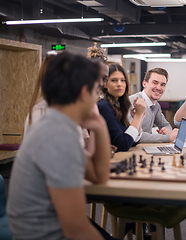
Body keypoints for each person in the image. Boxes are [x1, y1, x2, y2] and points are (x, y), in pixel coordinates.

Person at [7, 52, 114, 240]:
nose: (97, 97)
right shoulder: (57, 135)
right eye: (95, 91)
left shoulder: (61, 125)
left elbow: (99, 175)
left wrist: (100, 126)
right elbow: (76, 229)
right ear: (83, 92)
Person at [97, 64, 146, 152]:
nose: (119, 84)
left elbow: (133, 141)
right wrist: (138, 116)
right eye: (114, 80)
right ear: (105, 84)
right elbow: (123, 144)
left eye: (122, 80)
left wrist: (138, 119)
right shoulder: (104, 106)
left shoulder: (117, 105)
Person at [129, 68, 179, 143]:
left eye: (162, 85)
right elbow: (134, 135)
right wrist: (167, 137)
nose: (159, 88)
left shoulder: (155, 105)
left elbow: (165, 125)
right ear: (144, 84)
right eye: (155, 83)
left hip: (143, 147)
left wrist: (166, 131)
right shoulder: (133, 102)